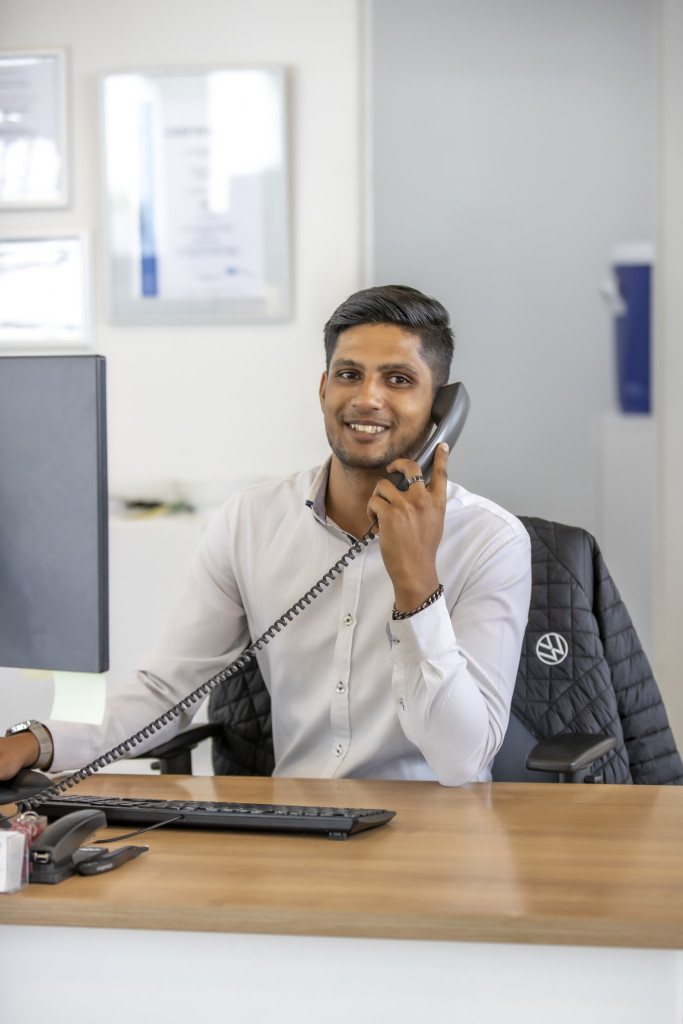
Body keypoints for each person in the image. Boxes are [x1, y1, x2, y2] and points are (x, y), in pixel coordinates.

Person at [0, 285, 531, 787]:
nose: (368, 398)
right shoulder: (250, 520)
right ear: (323, 389)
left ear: (440, 409)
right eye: (349, 374)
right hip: (297, 823)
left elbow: (461, 760)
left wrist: (416, 584)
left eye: (398, 379)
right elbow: (166, 692)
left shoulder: (492, 541)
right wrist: (31, 742)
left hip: (438, 829)